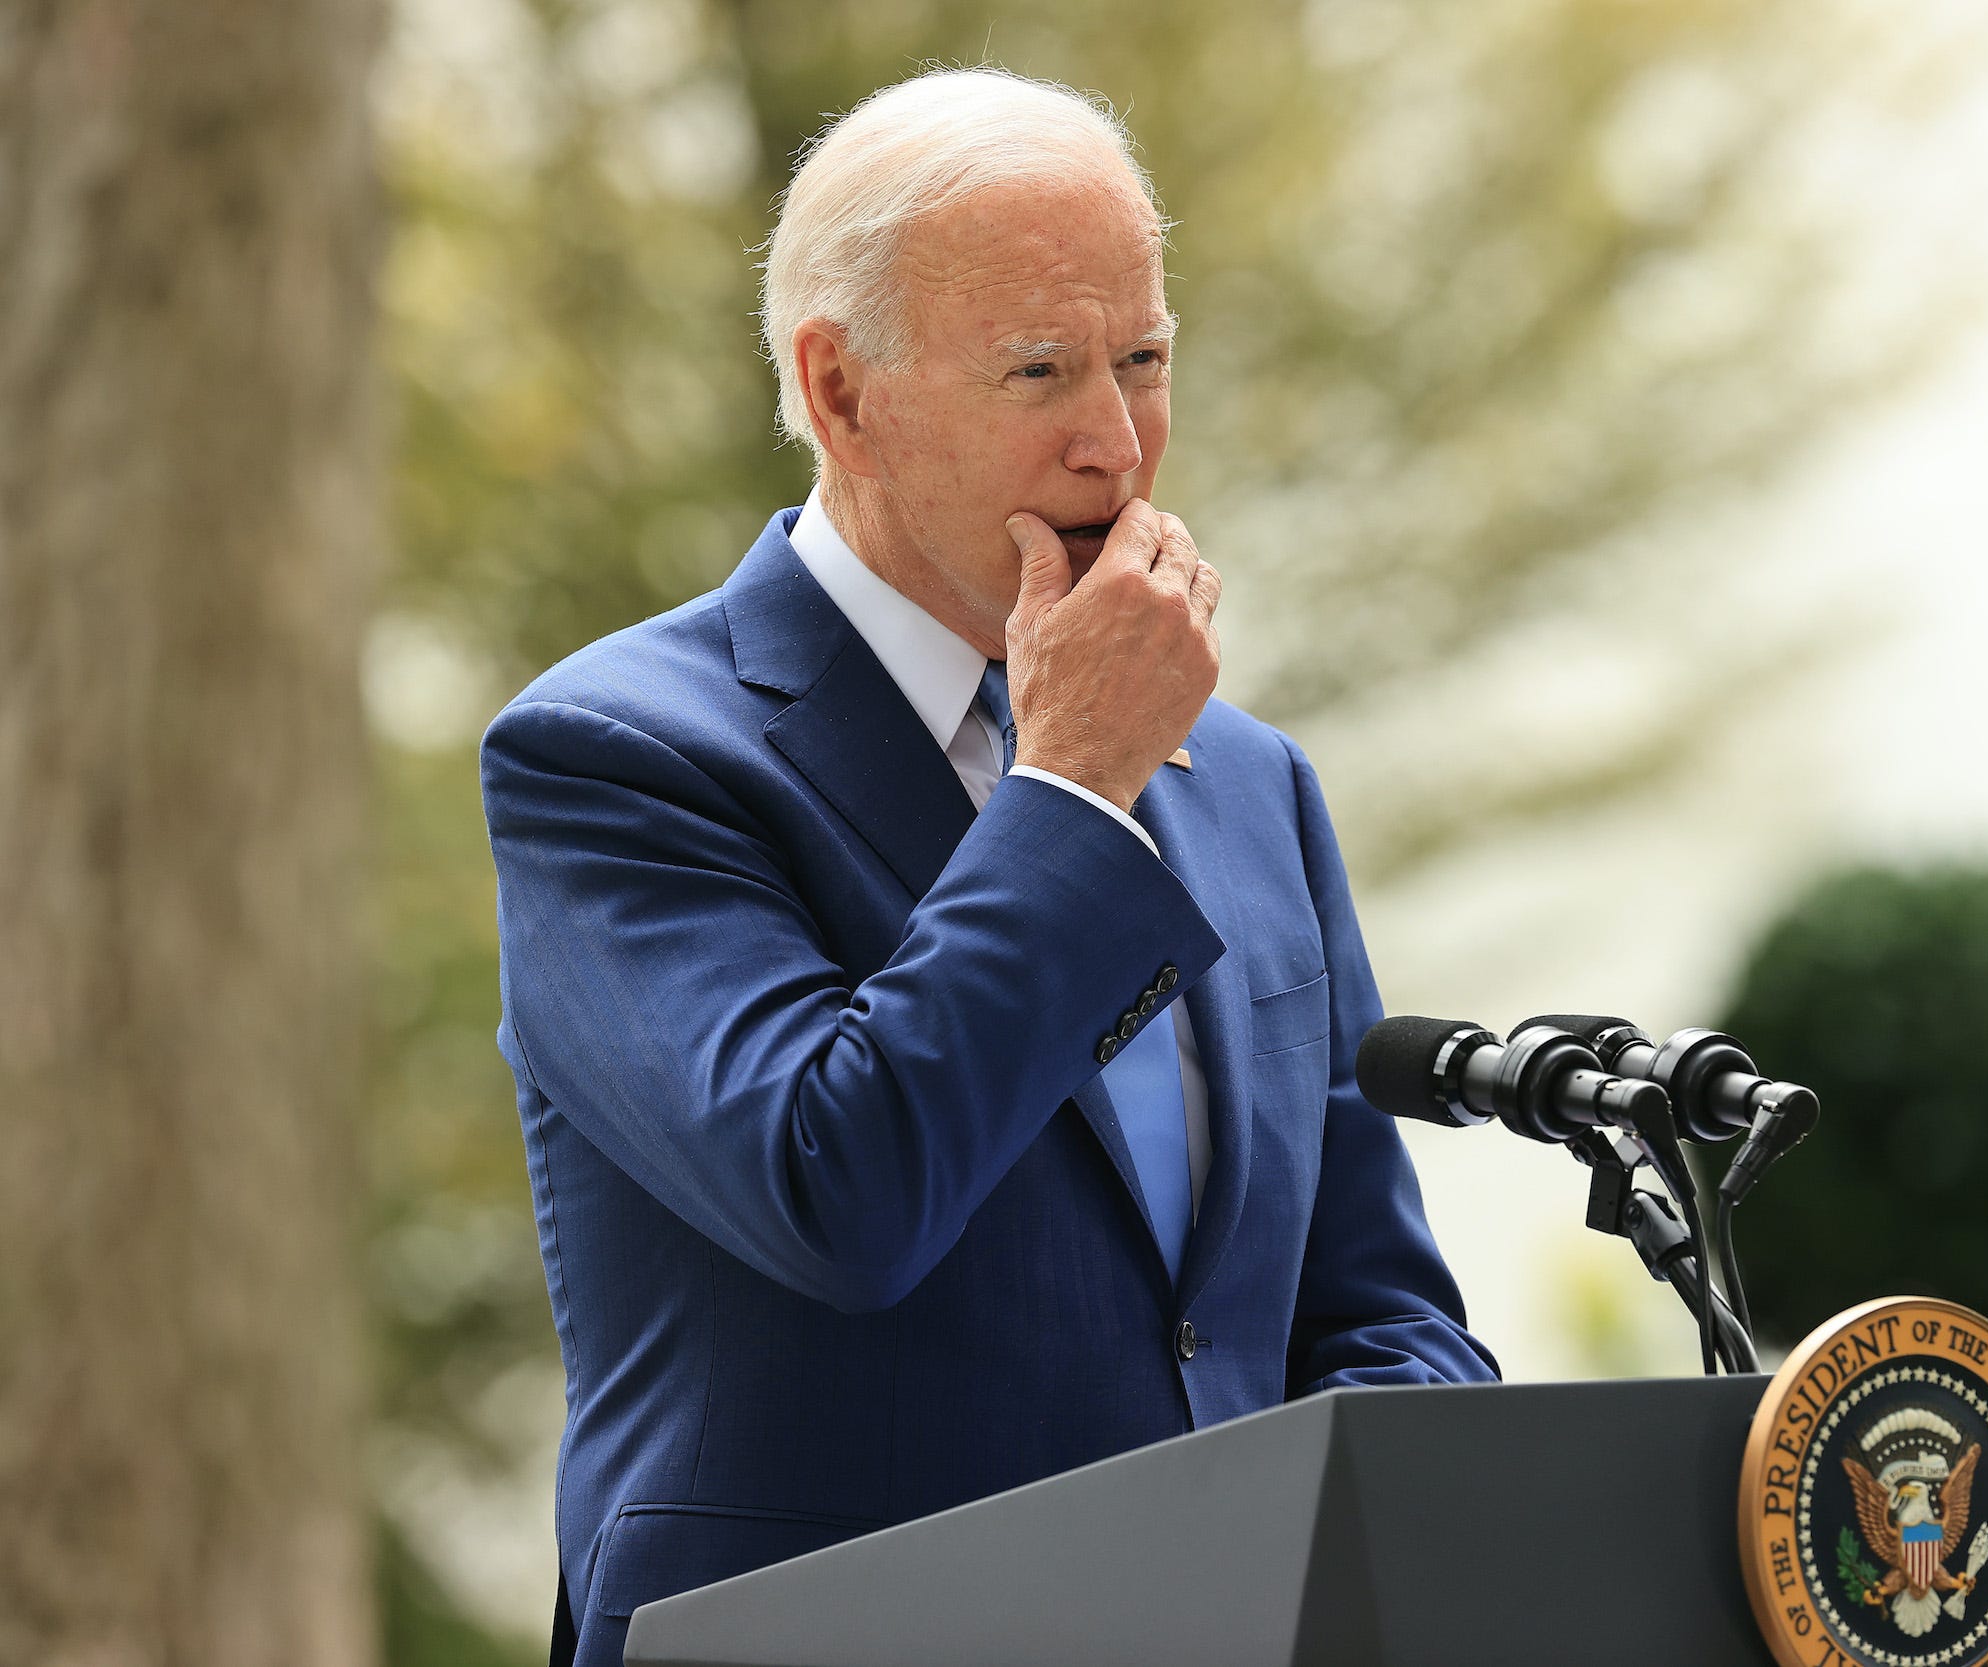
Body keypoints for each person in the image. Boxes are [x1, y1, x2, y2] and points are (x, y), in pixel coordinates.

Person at [481, 65, 1498, 1665]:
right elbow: (841, 1192)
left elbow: (1373, 1304)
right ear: (841, 392)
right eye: (1039, 368)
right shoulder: (614, 757)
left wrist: (1370, 1547)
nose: (1118, 441)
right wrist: (1074, 787)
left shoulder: (1249, 781)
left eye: (1145, 358)